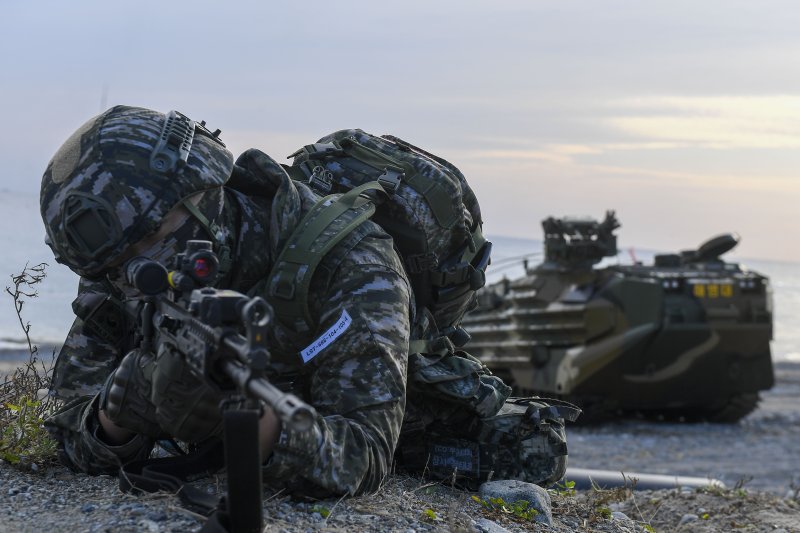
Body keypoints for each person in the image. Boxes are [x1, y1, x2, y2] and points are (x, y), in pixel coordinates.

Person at [41, 105, 572, 499]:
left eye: (153, 239)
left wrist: (246, 423)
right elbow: (71, 421)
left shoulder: (352, 262)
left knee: (525, 449)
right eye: (115, 266)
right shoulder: (126, 268)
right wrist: (116, 417)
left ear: (204, 193)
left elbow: (363, 457)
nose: (135, 275)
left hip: (379, 400)